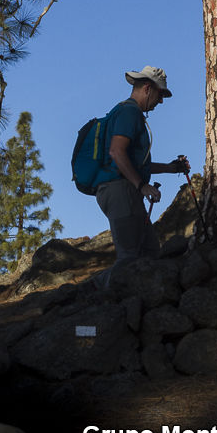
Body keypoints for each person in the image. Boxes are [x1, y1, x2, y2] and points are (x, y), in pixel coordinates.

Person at [93, 66, 190, 288]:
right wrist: (142, 186)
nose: (161, 101)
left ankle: (137, 310)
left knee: (149, 253)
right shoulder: (129, 113)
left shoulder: (127, 113)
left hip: (123, 190)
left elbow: (136, 163)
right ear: (147, 88)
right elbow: (117, 152)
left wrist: (171, 168)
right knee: (130, 259)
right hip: (119, 190)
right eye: (160, 94)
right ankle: (96, 297)